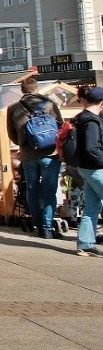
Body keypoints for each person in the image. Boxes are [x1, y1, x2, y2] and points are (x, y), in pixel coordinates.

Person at [6, 78, 65, 239]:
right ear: (37, 88)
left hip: (28, 154)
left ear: (22, 90)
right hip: (50, 154)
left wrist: (24, 144)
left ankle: (38, 225)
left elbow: (11, 134)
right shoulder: (49, 104)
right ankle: (47, 228)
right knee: (49, 191)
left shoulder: (13, 108)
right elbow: (60, 127)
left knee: (31, 190)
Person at [73, 86, 103, 258]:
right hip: (94, 168)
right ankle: (85, 244)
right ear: (101, 102)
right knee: (93, 206)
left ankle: (85, 244)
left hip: (86, 167)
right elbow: (91, 148)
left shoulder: (82, 118)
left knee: (92, 206)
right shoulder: (91, 121)